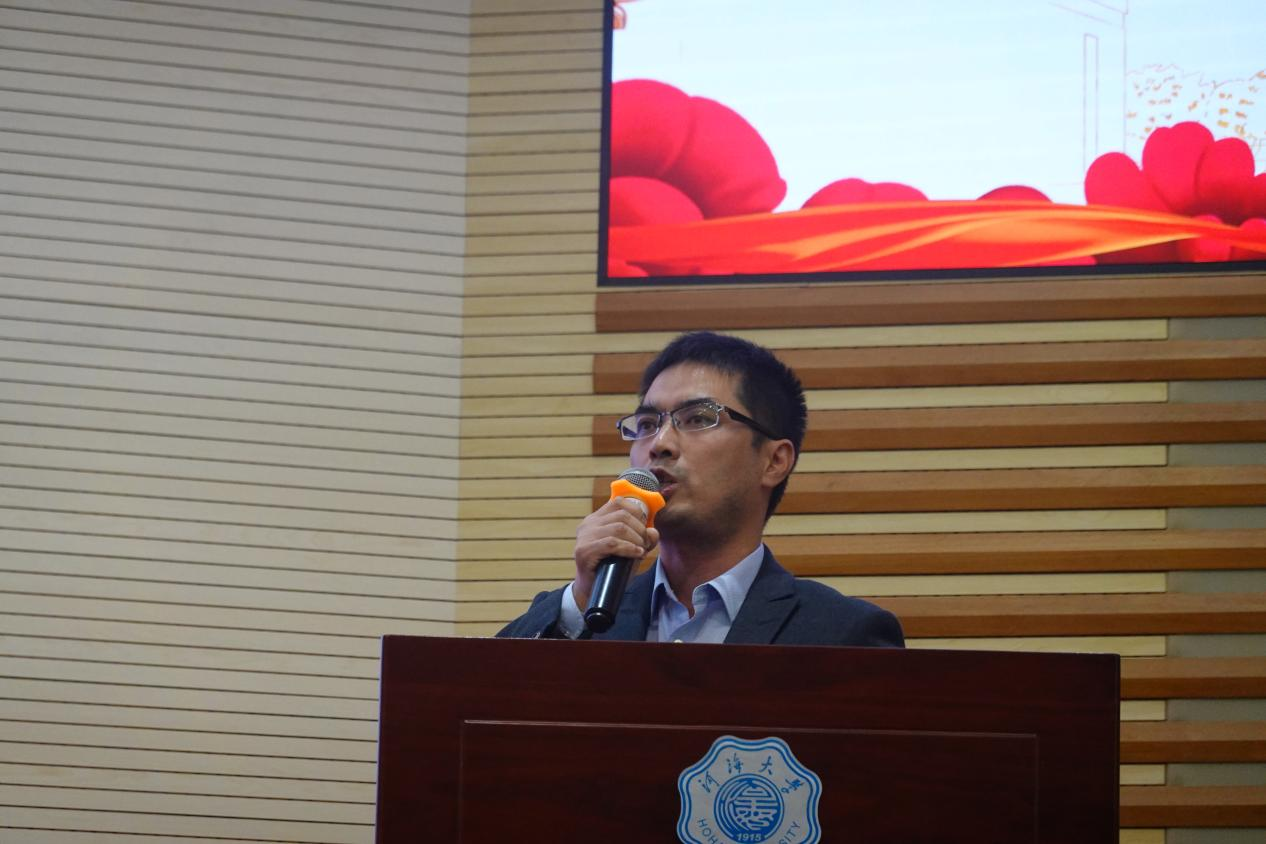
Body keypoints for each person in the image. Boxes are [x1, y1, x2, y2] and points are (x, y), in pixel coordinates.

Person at [497, 331, 903, 647]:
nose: (659, 443)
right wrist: (582, 600)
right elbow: (485, 703)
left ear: (774, 461)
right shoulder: (583, 611)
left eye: (698, 419)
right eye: (647, 424)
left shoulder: (843, 634)